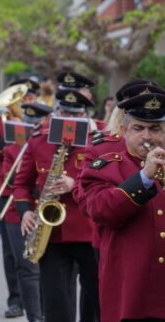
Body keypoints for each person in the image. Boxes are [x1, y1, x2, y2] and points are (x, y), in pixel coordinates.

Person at [77, 91, 165, 322]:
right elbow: (100, 211)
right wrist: (145, 176)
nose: (148, 136)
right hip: (130, 290)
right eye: (139, 128)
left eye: (155, 129)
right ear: (124, 131)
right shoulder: (106, 166)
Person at [14, 87, 100, 322]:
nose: (69, 121)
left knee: (98, 300)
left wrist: (75, 183)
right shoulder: (39, 139)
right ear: (55, 114)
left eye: (75, 115)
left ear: (84, 116)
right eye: (64, 114)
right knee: (56, 305)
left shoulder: (99, 140)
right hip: (52, 234)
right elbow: (21, 184)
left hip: (91, 230)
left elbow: (109, 183)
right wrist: (25, 213)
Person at [0, 79, 36, 320]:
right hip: (8, 196)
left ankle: (35, 301)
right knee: (11, 254)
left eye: (27, 97)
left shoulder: (40, 124)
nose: (24, 102)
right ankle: (15, 299)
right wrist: (5, 139)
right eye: (21, 98)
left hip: (31, 193)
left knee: (31, 254)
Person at [0, 102, 53, 322]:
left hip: (47, 211)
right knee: (27, 265)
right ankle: (34, 315)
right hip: (17, 212)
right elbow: (10, 180)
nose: (32, 126)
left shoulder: (52, 145)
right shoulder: (13, 148)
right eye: (28, 121)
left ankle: (48, 311)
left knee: (49, 268)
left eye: (37, 122)